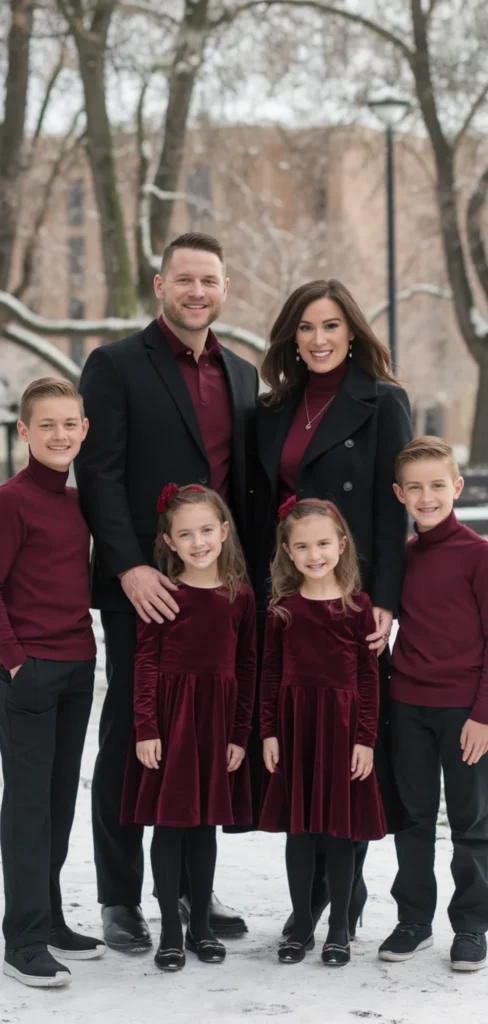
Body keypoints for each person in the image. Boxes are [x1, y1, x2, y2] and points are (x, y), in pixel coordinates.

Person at [75, 233, 258, 951]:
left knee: (203, 737)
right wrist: (128, 567)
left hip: (216, 593)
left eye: (209, 280)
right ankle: (120, 898)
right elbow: (100, 476)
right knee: (130, 728)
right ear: (159, 285)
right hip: (143, 591)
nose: (197, 292)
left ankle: (190, 889)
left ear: (224, 286)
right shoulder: (115, 365)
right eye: (184, 279)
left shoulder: (241, 375)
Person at [254, 279, 412, 938]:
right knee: (298, 750)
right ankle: (308, 899)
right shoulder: (271, 408)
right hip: (292, 598)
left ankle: (342, 897)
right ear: (293, 336)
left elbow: (388, 508)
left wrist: (386, 602)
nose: (319, 339)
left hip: (353, 600)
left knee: (351, 750)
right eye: (307, 327)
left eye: (331, 326)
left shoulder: (384, 402)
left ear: (352, 332)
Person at [121, 484, 256, 972]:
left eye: (205, 530)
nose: (197, 542)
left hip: (216, 724)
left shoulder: (239, 596)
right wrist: (145, 728)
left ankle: (200, 924)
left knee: (204, 829)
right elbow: (145, 664)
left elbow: (247, 668)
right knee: (170, 827)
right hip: (170, 724)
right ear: (169, 541)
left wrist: (240, 735)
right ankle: (171, 933)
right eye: (185, 534)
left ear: (223, 532)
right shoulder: (163, 593)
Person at [0, 378, 105, 989]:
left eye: (70, 424)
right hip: (30, 673)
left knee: (61, 801)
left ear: (84, 430)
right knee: (29, 805)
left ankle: (51, 917)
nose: (60, 435)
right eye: (46, 425)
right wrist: (15, 660)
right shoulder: (11, 501)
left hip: (77, 666)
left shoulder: (77, 498)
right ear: (24, 432)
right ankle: (23, 937)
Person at [259, 497, 385, 966]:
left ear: (342, 544)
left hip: (343, 729)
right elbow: (269, 675)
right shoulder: (283, 609)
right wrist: (269, 732)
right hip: (297, 730)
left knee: (339, 832)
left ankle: (339, 930)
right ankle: (301, 924)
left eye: (324, 543)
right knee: (300, 833)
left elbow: (370, 679)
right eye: (303, 546)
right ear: (288, 553)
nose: (315, 554)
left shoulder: (357, 606)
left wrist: (365, 739)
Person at [379, 436, 488, 973]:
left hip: (466, 712)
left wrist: (484, 716)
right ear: (399, 493)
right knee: (413, 817)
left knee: (472, 824)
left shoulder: (479, 555)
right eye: (415, 488)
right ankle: (414, 919)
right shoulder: (399, 559)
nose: (427, 497)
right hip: (407, 707)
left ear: (457, 487)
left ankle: (470, 926)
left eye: (437, 486)